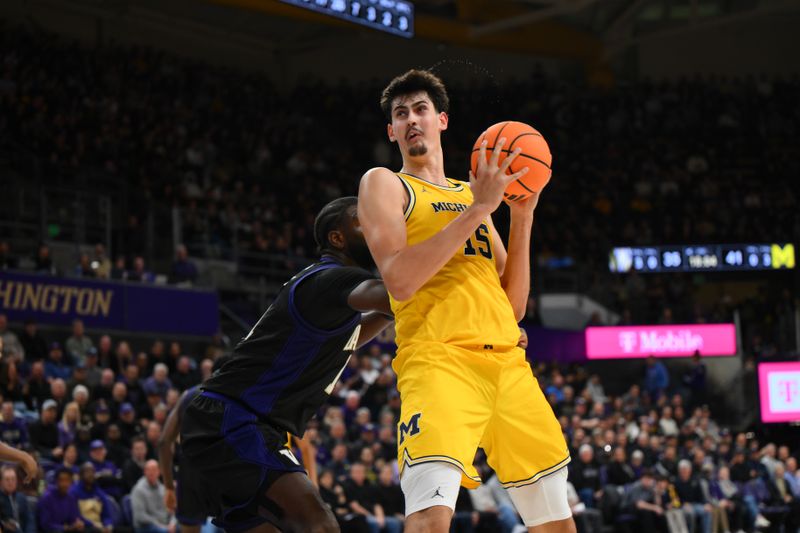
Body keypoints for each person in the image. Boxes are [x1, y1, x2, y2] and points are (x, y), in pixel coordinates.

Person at [358, 69, 573, 532]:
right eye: (401, 114)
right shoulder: (386, 184)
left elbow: (511, 306)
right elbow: (398, 281)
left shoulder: (468, 193)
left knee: (555, 521)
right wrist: (480, 209)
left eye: (420, 110)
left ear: (443, 121)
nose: (411, 119)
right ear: (391, 131)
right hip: (440, 365)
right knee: (431, 520)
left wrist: (521, 214)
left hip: (507, 366)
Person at [180, 197, 394, 532]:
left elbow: (353, 333)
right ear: (337, 238)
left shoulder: (325, 289)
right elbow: (401, 292)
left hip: (226, 421)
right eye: (361, 219)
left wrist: (385, 312)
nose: (374, 223)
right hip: (235, 421)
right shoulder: (331, 278)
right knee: (319, 525)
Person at [158, 354, 232, 533]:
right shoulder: (240, 398)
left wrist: (168, 485)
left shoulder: (188, 395)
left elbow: (163, 442)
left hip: (191, 474)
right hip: (226, 472)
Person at [37, 467, 88, 533]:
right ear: (56, 481)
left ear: (71, 482)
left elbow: (75, 517)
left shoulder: (71, 498)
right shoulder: (47, 498)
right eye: (61, 480)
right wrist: (66, 528)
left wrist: (79, 523)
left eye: (67, 480)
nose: (64, 484)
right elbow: (46, 526)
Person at [131, 460, 174, 533]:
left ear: (159, 472)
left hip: (165, 524)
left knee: (188, 526)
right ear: (144, 472)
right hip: (146, 527)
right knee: (163, 531)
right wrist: (161, 526)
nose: (151, 473)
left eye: (154, 470)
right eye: (149, 470)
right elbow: (140, 516)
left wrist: (172, 524)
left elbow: (172, 511)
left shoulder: (163, 489)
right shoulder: (138, 490)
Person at [69, 463, 114, 533]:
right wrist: (93, 525)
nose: (90, 474)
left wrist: (108, 525)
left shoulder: (99, 492)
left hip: (100, 525)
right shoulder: (73, 492)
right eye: (87, 472)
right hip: (84, 526)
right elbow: (76, 515)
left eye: (92, 472)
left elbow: (106, 515)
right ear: (81, 475)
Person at [0, 465, 35, 533]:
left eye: (13, 479)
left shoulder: (21, 498)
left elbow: (29, 520)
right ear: (0, 482)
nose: (10, 482)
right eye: (7, 479)